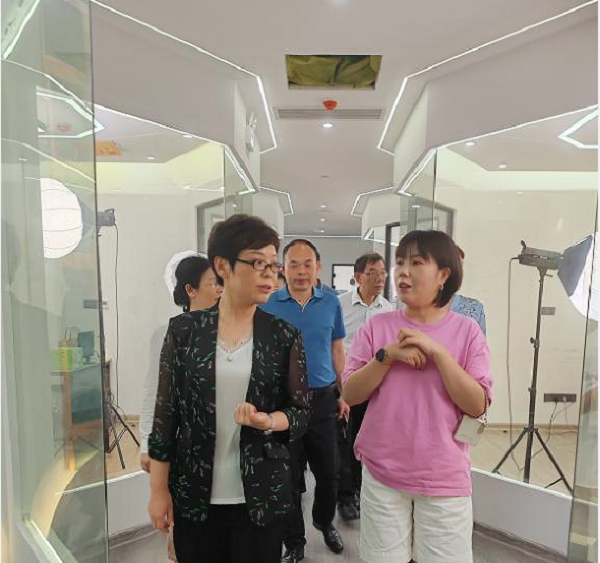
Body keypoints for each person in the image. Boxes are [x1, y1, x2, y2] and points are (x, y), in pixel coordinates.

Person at [147, 215, 310, 563]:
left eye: (273, 265)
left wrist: (269, 421)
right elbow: (166, 416)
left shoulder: (283, 336)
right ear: (223, 265)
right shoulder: (185, 331)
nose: (270, 274)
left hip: (261, 495)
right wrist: (158, 489)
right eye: (258, 263)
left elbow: (300, 413)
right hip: (195, 494)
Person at [342, 230, 492, 563]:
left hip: (444, 478)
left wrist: (439, 354)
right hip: (383, 473)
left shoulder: (468, 331)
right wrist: (386, 356)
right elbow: (350, 393)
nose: (403, 272)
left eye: (417, 262)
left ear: (443, 275)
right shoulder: (378, 327)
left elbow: (476, 403)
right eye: (400, 263)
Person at [262, 239, 348, 563]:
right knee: (288, 479)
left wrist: (344, 392)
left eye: (307, 264)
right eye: (294, 265)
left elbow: (337, 349)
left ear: (318, 267)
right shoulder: (269, 304)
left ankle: (324, 521)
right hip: (283, 403)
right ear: (283, 269)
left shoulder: (331, 302)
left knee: (329, 473)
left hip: (323, 400)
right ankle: (294, 541)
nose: (301, 271)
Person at [140, 254, 222, 562]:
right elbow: (154, 394)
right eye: (213, 283)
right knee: (185, 533)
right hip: (183, 449)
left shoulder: (230, 332)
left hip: (222, 453)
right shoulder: (168, 332)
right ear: (190, 289)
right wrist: (147, 443)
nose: (220, 289)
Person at [336, 253, 394, 521]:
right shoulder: (340, 305)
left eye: (382, 272)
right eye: (372, 272)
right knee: (345, 442)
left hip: (376, 387)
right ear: (358, 277)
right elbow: (335, 347)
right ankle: (345, 496)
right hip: (346, 385)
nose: (379, 278)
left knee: (368, 439)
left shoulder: (389, 310)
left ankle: (361, 491)